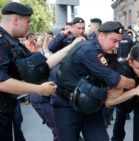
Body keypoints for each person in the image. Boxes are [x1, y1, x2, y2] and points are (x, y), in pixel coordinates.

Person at [0, 2, 82, 141]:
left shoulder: (13, 42)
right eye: (28, 22)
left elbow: (40, 65)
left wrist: (71, 47)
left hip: (8, 109)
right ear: (15, 20)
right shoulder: (2, 42)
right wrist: (39, 89)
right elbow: (2, 82)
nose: (29, 26)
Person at [51, 21, 136, 141]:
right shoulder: (88, 50)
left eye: (119, 41)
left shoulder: (107, 52)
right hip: (67, 105)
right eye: (114, 41)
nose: (117, 46)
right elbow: (116, 80)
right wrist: (133, 84)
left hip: (90, 105)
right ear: (101, 35)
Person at [111, 45, 139, 141]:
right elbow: (112, 98)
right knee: (120, 118)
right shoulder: (121, 69)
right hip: (124, 96)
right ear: (130, 62)